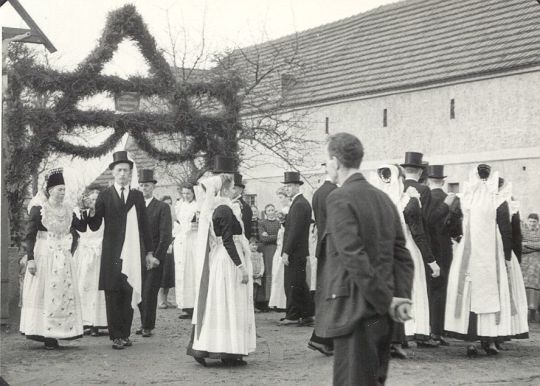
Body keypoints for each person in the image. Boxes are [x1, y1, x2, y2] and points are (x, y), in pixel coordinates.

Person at [316, 133, 414, 386]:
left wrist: (386, 300)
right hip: (383, 314)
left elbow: (353, 256)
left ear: (336, 162)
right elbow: (402, 255)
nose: (328, 167)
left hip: (354, 312)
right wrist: (398, 297)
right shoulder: (384, 199)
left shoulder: (339, 197)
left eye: (327, 161)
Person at [187, 156, 256, 367]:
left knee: (224, 304)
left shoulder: (218, 207)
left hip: (224, 259)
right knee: (227, 303)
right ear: (226, 187)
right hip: (228, 261)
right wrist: (242, 267)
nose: (235, 189)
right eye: (233, 185)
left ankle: (227, 351)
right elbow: (228, 241)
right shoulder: (223, 209)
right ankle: (221, 349)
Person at [445, 164, 520, 357]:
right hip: (488, 252)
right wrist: (506, 256)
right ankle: (489, 340)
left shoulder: (466, 197)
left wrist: (460, 238)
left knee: (471, 290)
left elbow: (450, 221)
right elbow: (506, 230)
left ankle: (472, 341)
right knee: (491, 290)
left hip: (471, 251)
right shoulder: (498, 199)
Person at [87, 151, 156, 350]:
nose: (123, 174)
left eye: (126, 170)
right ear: (113, 173)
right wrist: (89, 212)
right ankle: (115, 335)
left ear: (130, 173)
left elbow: (145, 226)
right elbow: (94, 224)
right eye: (119, 170)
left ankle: (125, 334)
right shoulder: (105, 195)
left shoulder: (136, 196)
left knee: (128, 291)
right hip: (112, 253)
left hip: (133, 251)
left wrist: (149, 252)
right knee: (113, 293)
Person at [373, 165, 436, 359]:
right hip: (404, 250)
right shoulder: (408, 201)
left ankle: (392, 335)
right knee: (407, 289)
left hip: (382, 252)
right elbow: (418, 233)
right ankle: (407, 331)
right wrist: (431, 260)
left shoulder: (377, 201)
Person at [20, 168, 86, 349]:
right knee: (45, 293)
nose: (62, 193)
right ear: (50, 191)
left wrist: (85, 210)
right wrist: (31, 258)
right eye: (59, 189)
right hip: (44, 254)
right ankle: (45, 334)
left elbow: (82, 227)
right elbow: (30, 234)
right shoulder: (39, 209)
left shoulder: (68, 209)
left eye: (64, 189)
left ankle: (61, 331)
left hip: (63, 257)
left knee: (61, 295)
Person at [136, 169, 172, 337]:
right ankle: (144, 321)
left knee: (150, 291)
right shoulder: (135, 207)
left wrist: (157, 257)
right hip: (137, 255)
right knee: (139, 290)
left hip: (155, 256)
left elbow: (165, 235)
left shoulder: (162, 207)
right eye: (142, 185)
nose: (145, 188)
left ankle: (147, 325)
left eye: (148, 185)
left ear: (153, 187)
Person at [426, 165, 460, 345]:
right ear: (443, 181)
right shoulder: (450, 199)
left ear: (428, 181)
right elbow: (456, 227)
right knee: (441, 288)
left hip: (427, 248)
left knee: (427, 288)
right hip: (445, 248)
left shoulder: (425, 196)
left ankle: (425, 328)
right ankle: (438, 331)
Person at [307, 165, 337, 356]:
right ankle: (322, 339)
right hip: (334, 247)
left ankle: (322, 338)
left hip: (323, 247)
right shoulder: (335, 192)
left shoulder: (318, 192)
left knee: (328, 293)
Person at [279, 171, 315, 327]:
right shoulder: (299, 203)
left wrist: (286, 251)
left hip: (295, 251)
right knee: (299, 283)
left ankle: (293, 315)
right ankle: (307, 314)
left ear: (296, 186)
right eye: (285, 187)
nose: (286, 189)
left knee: (292, 283)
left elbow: (295, 231)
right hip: (299, 250)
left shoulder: (299, 204)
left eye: (288, 186)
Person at [497, 177, 528, 340]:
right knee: (507, 291)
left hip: (491, 252)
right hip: (505, 252)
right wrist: (514, 256)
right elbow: (515, 233)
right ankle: (503, 331)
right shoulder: (508, 203)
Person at [73, 185, 107, 337]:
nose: (94, 202)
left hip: (99, 254)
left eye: (97, 200)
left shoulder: (105, 215)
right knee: (82, 287)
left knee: (98, 288)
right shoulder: (80, 214)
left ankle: (98, 322)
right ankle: (84, 322)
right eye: (92, 199)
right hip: (84, 253)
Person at [174, 183, 199, 319]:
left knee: (192, 271)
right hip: (181, 239)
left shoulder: (197, 206)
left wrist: (192, 225)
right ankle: (185, 305)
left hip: (192, 240)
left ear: (193, 193)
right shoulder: (179, 205)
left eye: (188, 193)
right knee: (181, 271)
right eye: (183, 193)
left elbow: (199, 223)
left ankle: (195, 305)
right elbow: (177, 222)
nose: (185, 196)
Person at [268, 189, 290, 310]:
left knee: (281, 271)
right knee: (276, 272)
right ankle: (277, 301)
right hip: (280, 242)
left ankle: (284, 301)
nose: (280, 200)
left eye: (281, 197)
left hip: (283, 242)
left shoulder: (288, 210)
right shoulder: (282, 211)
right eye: (279, 197)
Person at [257, 204, 281, 310]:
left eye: (272, 210)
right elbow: (263, 239)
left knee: (277, 273)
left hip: (278, 249)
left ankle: (277, 301)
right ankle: (267, 300)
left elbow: (282, 236)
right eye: (268, 210)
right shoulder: (262, 223)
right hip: (267, 251)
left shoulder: (279, 223)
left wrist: (270, 236)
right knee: (269, 274)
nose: (271, 212)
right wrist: (276, 237)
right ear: (265, 212)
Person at [158, 195, 176, 309]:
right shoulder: (161, 215)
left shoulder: (173, 216)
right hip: (164, 247)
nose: (168, 205)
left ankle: (166, 299)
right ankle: (161, 300)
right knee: (163, 274)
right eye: (166, 203)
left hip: (173, 245)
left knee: (169, 274)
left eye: (170, 203)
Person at [521, 213, 540, 322]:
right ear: (527, 221)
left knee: (535, 283)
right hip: (524, 262)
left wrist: (527, 244)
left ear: (537, 223)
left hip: (537, 262)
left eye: (534, 222)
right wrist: (535, 246)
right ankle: (523, 311)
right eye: (530, 221)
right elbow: (520, 246)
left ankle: (533, 310)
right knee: (523, 283)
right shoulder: (522, 231)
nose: (532, 223)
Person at [233, 173, 253, 239]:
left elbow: (246, 229)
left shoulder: (245, 207)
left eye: (234, 188)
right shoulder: (225, 203)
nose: (231, 190)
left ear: (240, 190)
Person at [249, 237, 265, 310]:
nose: (255, 246)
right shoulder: (248, 255)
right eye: (252, 245)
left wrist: (261, 273)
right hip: (251, 276)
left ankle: (254, 306)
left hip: (257, 276)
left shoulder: (259, 255)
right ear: (248, 245)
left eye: (256, 245)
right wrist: (250, 274)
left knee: (255, 292)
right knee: (250, 291)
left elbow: (262, 265)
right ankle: (249, 306)